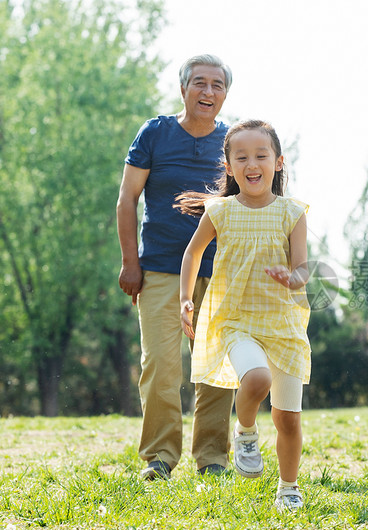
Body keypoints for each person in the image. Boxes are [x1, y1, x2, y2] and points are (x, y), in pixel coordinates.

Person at [178, 120, 311, 511]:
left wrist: (292, 277)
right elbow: (192, 253)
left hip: (283, 325)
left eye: (261, 155)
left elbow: (303, 269)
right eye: (242, 157)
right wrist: (186, 298)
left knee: (288, 419)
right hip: (235, 320)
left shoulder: (292, 213)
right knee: (256, 378)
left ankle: (288, 488)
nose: (252, 164)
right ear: (230, 167)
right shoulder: (220, 211)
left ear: (279, 162)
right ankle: (246, 431)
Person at [116, 54, 235, 480]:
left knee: (217, 364)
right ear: (182, 88)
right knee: (161, 364)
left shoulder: (232, 140)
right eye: (199, 83)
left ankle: (213, 459)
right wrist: (131, 263)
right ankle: (160, 457)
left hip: (220, 270)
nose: (208, 92)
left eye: (217, 85)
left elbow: (252, 199)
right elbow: (127, 198)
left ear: (225, 94)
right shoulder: (155, 133)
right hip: (161, 268)